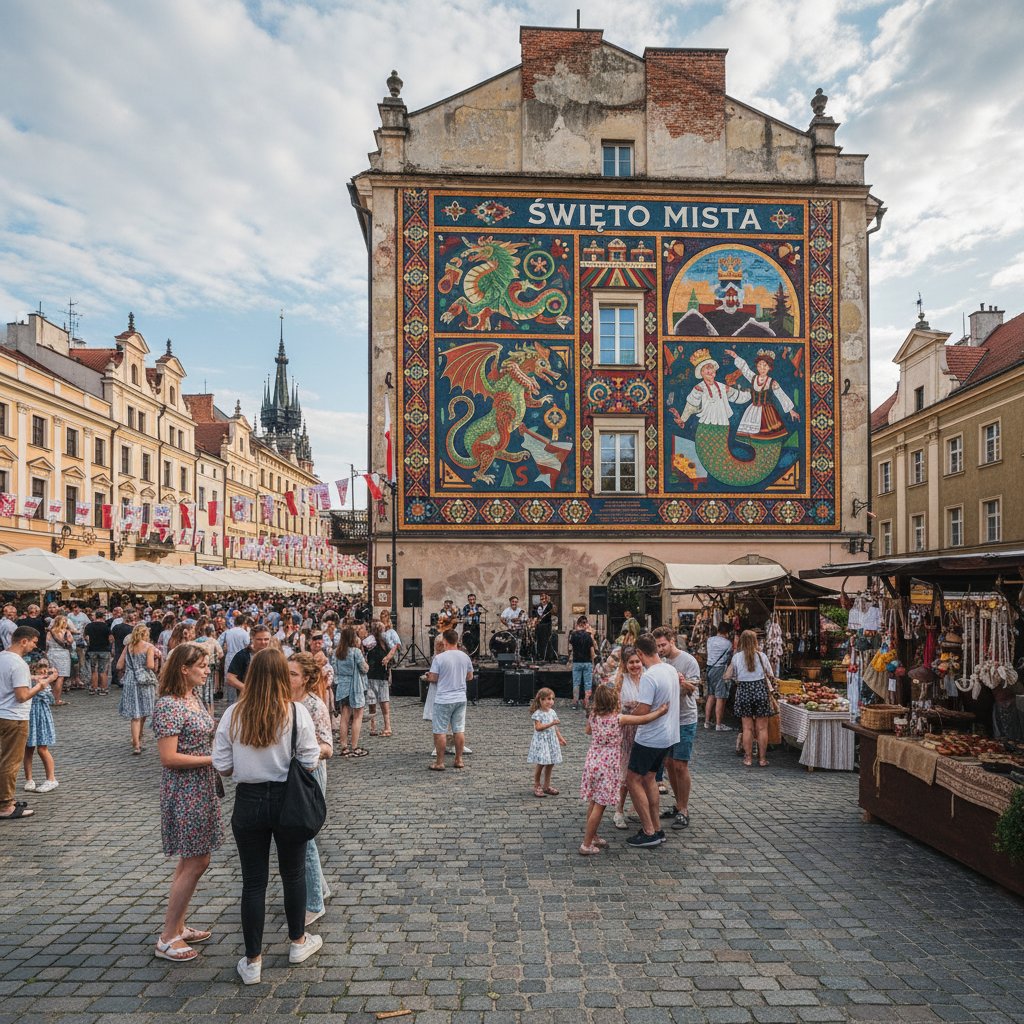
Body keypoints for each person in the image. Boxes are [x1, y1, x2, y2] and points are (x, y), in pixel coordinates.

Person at [213, 648, 322, 985]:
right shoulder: (295, 712)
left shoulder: (233, 713)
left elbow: (222, 765)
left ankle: (253, 960)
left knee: (253, 881)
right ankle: (297, 942)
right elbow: (310, 759)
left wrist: (248, 763)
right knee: (293, 874)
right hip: (288, 798)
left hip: (249, 800)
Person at [151, 643, 224, 963]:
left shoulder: (191, 698)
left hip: (201, 787)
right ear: (184, 668)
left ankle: (178, 925)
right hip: (185, 791)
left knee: (191, 860)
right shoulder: (169, 705)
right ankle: (167, 936)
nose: (208, 670)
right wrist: (213, 758)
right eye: (202, 665)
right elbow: (168, 757)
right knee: (196, 861)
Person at [579, 683, 668, 856]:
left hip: (593, 761)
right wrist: (660, 711)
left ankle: (593, 835)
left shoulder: (593, 716)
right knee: (600, 804)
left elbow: (588, 731)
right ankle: (586, 843)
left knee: (593, 800)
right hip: (608, 764)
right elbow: (644, 719)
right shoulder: (619, 718)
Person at [288, 652, 333, 926]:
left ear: (305, 679)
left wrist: (307, 755)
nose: (287, 677)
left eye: (293, 674)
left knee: (304, 837)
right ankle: (321, 888)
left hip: (309, 774)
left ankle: (314, 902)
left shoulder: (314, 705)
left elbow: (328, 746)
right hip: (289, 774)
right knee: (301, 836)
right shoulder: (285, 701)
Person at [623, 633, 680, 848]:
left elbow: (644, 710)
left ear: (639, 652)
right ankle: (656, 827)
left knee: (632, 779)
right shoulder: (670, 669)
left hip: (650, 737)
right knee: (649, 779)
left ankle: (648, 831)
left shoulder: (650, 676)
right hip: (668, 734)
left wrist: (627, 713)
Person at [653, 626, 701, 830]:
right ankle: (677, 802)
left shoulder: (688, 660)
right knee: (670, 763)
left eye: (663, 645)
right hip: (666, 719)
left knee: (681, 764)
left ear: (672, 640)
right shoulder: (659, 661)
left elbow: (694, 687)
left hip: (684, 718)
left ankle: (684, 809)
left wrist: (680, 682)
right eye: (657, 646)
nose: (660, 649)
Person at [0, 626, 44, 819]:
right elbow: (22, 695)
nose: (35, 646)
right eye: (34, 642)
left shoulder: (2, 656)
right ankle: (6, 805)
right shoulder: (19, 664)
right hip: (14, 717)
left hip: (2, 713)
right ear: (23, 641)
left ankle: (5, 799)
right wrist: (40, 686)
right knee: (10, 761)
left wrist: (32, 678)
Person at [725, 629, 779, 767]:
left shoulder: (737, 657)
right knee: (762, 728)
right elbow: (771, 675)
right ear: (755, 642)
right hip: (760, 691)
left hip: (744, 692)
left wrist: (736, 674)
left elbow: (727, 676)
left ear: (741, 642)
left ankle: (748, 758)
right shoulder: (761, 656)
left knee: (747, 728)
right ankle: (762, 759)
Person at [724, 347, 800, 440]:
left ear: (769, 367)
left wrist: (791, 411)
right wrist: (734, 355)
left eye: (765, 365)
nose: (762, 368)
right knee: (751, 436)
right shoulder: (753, 377)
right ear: (756, 366)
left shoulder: (771, 382)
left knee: (767, 437)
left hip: (768, 413)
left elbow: (781, 395)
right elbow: (744, 368)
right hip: (752, 411)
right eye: (760, 365)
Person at [425, 629, 472, 771]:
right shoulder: (465, 657)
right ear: (457, 641)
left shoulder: (439, 658)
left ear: (444, 641)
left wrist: (428, 676)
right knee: (459, 729)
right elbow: (469, 677)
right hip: (460, 697)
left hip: (443, 698)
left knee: (440, 731)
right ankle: (459, 759)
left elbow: (433, 678)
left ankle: (439, 762)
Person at [612, 646, 643, 830]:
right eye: (631, 662)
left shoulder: (647, 677)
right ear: (625, 664)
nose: (635, 665)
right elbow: (615, 708)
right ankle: (619, 811)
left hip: (644, 731)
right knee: (624, 774)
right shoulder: (620, 681)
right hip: (626, 732)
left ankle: (637, 807)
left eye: (637, 661)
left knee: (641, 773)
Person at [117, 623, 158, 755]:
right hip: (145, 679)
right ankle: (138, 738)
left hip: (130, 679)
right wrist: (157, 659)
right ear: (145, 634)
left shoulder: (128, 647)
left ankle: (136, 743)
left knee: (135, 714)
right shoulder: (149, 647)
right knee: (145, 709)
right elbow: (150, 665)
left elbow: (118, 665)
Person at [22, 657, 59, 793]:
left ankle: (51, 778)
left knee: (42, 748)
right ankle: (29, 779)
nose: (44, 670)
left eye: (46, 667)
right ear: (33, 669)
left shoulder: (44, 683)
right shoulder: (28, 681)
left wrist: (45, 684)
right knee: (28, 748)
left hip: (42, 716)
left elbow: (49, 698)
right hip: (29, 715)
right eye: (41, 668)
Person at [333, 626, 369, 758]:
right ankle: (354, 746)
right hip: (355, 686)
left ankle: (344, 746)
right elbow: (364, 668)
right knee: (357, 717)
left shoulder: (336, 652)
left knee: (344, 717)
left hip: (342, 686)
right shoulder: (355, 652)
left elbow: (334, 669)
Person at [527, 687, 566, 797]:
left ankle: (546, 785)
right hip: (542, 742)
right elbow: (538, 727)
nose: (551, 701)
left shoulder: (552, 712)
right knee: (541, 764)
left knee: (550, 763)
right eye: (548, 699)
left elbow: (555, 728)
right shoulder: (538, 713)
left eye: (552, 699)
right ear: (541, 700)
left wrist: (560, 738)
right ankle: (537, 785)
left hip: (551, 741)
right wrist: (551, 723)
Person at [226, 625, 272, 700]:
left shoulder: (274, 656)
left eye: (266, 639)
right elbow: (230, 678)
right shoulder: (243, 655)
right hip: (248, 699)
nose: (263, 642)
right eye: (259, 639)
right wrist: (246, 689)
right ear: (252, 638)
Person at [704, 621, 735, 730]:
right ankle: (718, 724)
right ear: (727, 632)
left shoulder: (709, 640)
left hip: (709, 669)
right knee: (720, 697)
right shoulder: (728, 644)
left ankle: (706, 722)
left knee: (711, 695)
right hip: (720, 669)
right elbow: (731, 657)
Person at [363, 622, 392, 738]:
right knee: (378, 701)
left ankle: (378, 726)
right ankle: (380, 726)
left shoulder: (384, 642)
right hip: (375, 673)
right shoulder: (372, 641)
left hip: (376, 673)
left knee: (376, 701)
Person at [45, 614, 74, 706]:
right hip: (63, 654)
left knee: (53, 676)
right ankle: (57, 700)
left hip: (51, 654)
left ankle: (52, 698)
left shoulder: (50, 632)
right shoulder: (66, 632)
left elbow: (47, 644)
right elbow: (71, 642)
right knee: (60, 677)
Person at [221, 614, 250, 703]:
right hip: (241, 658)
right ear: (244, 623)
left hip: (230, 656)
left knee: (230, 681)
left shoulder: (228, 632)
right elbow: (248, 645)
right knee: (241, 680)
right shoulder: (244, 633)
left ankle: (230, 703)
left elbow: (219, 642)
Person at [568, 616, 596, 710]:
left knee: (576, 683)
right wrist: (593, 662)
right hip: (587, 662)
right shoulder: (588, 636)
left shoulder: (574, 635)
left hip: (577, 662)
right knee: (588, 683)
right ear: (585, 624)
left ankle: (575, 702)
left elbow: (570, 648)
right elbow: (592, 651)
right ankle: (586, 702)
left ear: (578, 625)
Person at [84, 609, 113, 695]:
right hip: (104, 650)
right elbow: (111, 639)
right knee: (103, 671)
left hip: (92, 649)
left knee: (94, 670)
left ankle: (93, 688)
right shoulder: (106, 626)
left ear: (95, 616)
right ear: (102, 617)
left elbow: (85, 637)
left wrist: (90, 642)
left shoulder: (89, 626)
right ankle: (103, 689)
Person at [110, 611, 136, 688]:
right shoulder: (132, 629)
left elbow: (112, 639)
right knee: (126, 664)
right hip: (127, 648)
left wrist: (112, 647)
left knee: (117, 662)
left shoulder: (116, 627)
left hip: (118, 646)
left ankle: (115, 678)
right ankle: (122, 679)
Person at [532, 592, 555, 663]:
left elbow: (554, 611)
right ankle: (540, 656)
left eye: (545, 598)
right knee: (539, 641)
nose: (543, 600)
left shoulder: (550, 605)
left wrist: (550, 601)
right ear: (540, 600)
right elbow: (535, 616)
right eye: (542, 599)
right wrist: (535, 623)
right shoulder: (538, 606)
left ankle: (549, 657)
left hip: (547, 625)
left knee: (547, 641)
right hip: (539, 626)